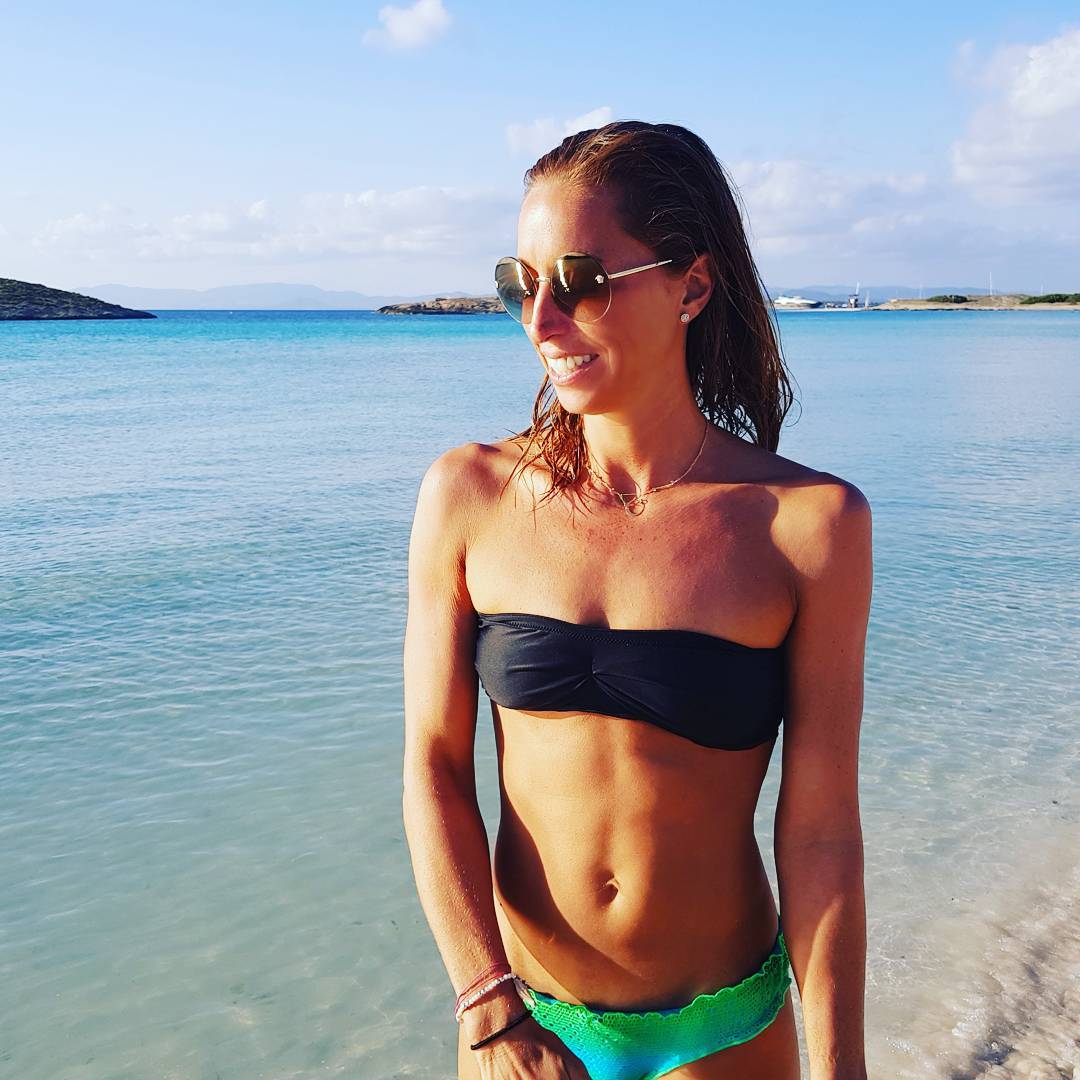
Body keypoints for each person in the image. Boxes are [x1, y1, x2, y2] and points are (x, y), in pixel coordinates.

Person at [402, 120, 872, 1080]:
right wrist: (489, 1009)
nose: (540, 321)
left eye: (579, 282)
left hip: (723, 1027)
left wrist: (842, 1067)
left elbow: (821, 829)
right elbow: (434, 768)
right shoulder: (470, 495)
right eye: (519, 284)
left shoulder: (808, 525)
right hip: (526, 1031)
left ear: (691, 286)